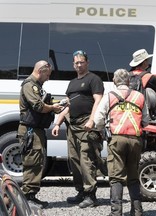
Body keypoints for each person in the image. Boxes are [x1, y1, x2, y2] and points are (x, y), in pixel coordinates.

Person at [51, 50, 104, 208]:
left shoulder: (94, 79)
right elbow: (68, 105)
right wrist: (57, 123)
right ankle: (80, 192)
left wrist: (92, 120)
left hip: (86, 126)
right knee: (74, 161)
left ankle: (91, 195)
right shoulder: (72, 82)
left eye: (81, 62)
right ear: (73, 64)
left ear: (87, 62)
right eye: (76, 62)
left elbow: (98, 100)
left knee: (86, 160)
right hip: (72, 127)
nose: (79, 64)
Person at [94, 69, 150, 216]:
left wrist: (101, 129)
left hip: (117, 140)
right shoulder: (139, 96)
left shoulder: (109, 96)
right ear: (128, 81)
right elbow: (146, 120)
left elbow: (98, 119)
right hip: (135, 140)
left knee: (116, 177)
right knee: (133, 176)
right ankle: (137, 211)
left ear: (114, 81)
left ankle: (116, 212)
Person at [18, 60, 63, 208]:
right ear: (41, 71)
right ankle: (27, 197)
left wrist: (55, 106)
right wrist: (52, 107)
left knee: (37, 162)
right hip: (30, 130)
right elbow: (38, 106)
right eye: (47, 75)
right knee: (32, 163)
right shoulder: (29, 85)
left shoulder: (37, 86)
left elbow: (43, 105)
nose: (48, 78)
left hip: (37, 130)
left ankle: (31, 195)